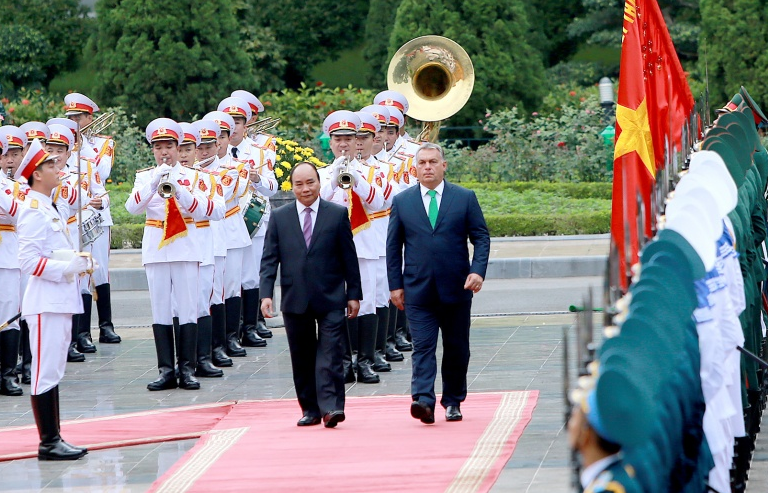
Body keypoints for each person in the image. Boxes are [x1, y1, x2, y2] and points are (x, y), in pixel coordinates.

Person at [387, 142, 490, 424]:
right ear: (415, 168)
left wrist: (477, 270)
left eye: (433, 162)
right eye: (422, 163)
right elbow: (393, 247)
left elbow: (480, 237)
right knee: (423, 346)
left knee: (457, 347)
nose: (428, 167)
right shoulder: (403, 201)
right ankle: (423, 400)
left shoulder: (464, 198)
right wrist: (395, 285)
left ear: (444, 165)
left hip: (457, 288)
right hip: (417, 290)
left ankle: (454, 400)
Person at [260, 161, 362, 428]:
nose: (305, 189)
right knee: (302, 356)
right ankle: (310, 409)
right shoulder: (280, 217)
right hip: (295, 298)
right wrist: (266, 293)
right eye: (299, 184)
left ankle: (331, 408)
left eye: (310, 182)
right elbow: (269, 258)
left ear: (319, 183)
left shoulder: (337, 214)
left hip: (330, 297)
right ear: (291, 187)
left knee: (330, 354)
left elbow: (349, 258)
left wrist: (354, 294)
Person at [125, 118, 215, 391]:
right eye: (158, 147)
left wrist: (181, 189)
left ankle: (187, 369)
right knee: (160, 310)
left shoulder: (197, 177)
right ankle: (166, 370)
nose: (164, 152)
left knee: (187, 309)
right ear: (153, 150)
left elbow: (211, 210)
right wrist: (154, 183)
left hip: (186, 246)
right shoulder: (145, 176)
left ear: (178, 147)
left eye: (169, 147)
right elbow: (132, 208)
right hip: (156, 248)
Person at [16, 138, 93, 460]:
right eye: (49, 165)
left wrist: (76, 262)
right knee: (45, 372)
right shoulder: (34, 210)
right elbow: (28, 261)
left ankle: (55, 436)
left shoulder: (50, 207)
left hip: (58, 300)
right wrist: (68, 266)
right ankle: (48, 441)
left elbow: (51, 253)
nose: (56, 168)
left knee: (54, 371)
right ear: (36, 174)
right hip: (45, 302)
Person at [319, 110, 386, 384]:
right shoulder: (322, 173)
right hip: (334, 250)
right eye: (338, 139)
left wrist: (356, 179)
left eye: (349, 138)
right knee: (337, 305)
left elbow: (378, 202)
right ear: (331, 142)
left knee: (367, 302)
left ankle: (366, 361)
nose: (344, 144)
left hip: (365, 246)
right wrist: (335, 177)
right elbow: (316, 202)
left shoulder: (373, 171)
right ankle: (344, 362)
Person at [64, 93, 120, 346]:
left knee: (101, 272)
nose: (74, 122)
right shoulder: (63, 144)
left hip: (97, 217)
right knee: (81, 273)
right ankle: (82, 332)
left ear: (90, 117)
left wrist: (84, 143)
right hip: (73, 218)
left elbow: (102, 171)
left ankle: (106, 326)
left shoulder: (103, 143)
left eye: (78, 117)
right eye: (71, 117)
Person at [568, 390, 642, 493]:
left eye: (574, 417)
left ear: (585, 434)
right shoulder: (623, 474)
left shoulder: (608, 489)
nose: (570, 425)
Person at [0, 133, 23, 397]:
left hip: (7, 255)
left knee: (8, 316)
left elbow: (20, 214)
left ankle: (8, 374)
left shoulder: (12, 187)